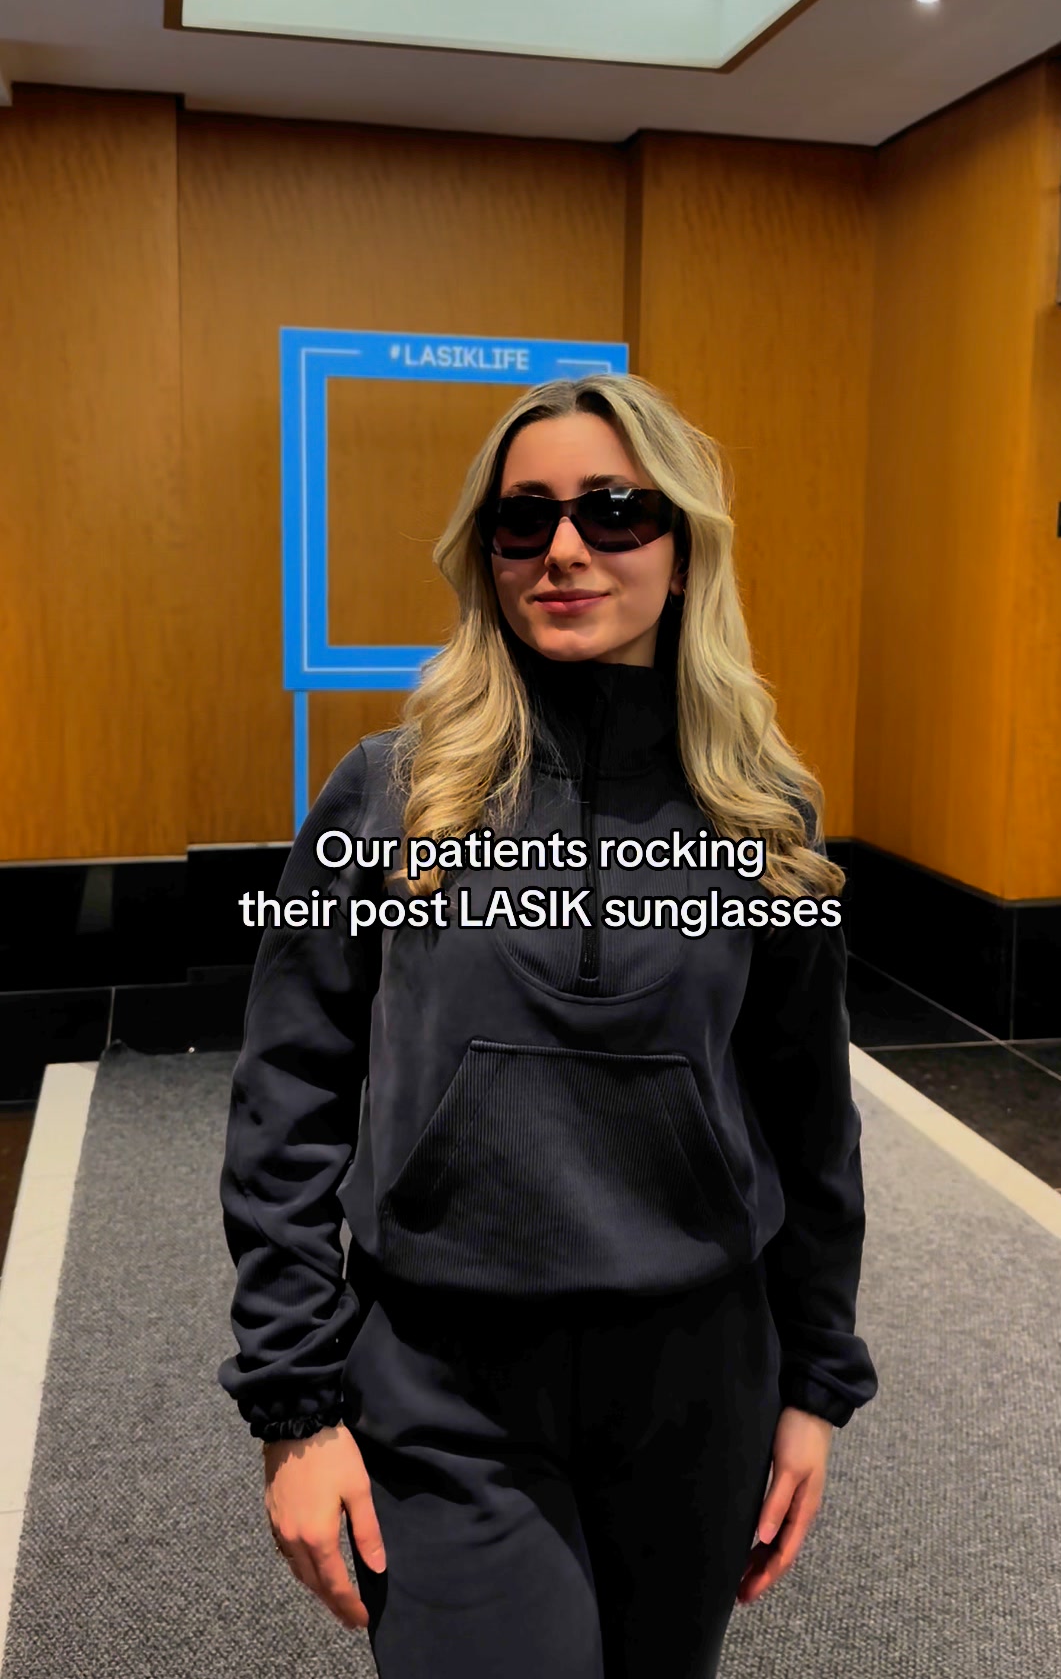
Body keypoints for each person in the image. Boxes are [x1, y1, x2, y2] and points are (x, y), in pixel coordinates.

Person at [217, 372, 878, 1678]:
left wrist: (816, 1381)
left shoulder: (763, 816)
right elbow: (286, 1099)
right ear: (487, 555)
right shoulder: (391, 793)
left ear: (683, 551)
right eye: (525, 519)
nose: (566, 549)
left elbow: (810, 1119)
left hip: (699, 1382)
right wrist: (294, 1404)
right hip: (443, 1381)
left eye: (614, 510)